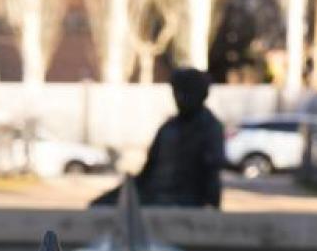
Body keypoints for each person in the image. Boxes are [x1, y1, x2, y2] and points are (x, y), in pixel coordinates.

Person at [91, 68, 224, 209]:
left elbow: (212, 174)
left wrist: (212, 206)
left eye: (184, 92)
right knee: (99, 206)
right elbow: (147, 172)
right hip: (152, 194)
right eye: (176, 92)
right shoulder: (168, 127)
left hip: (183, 200)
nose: (178, 98)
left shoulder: (209, 128)